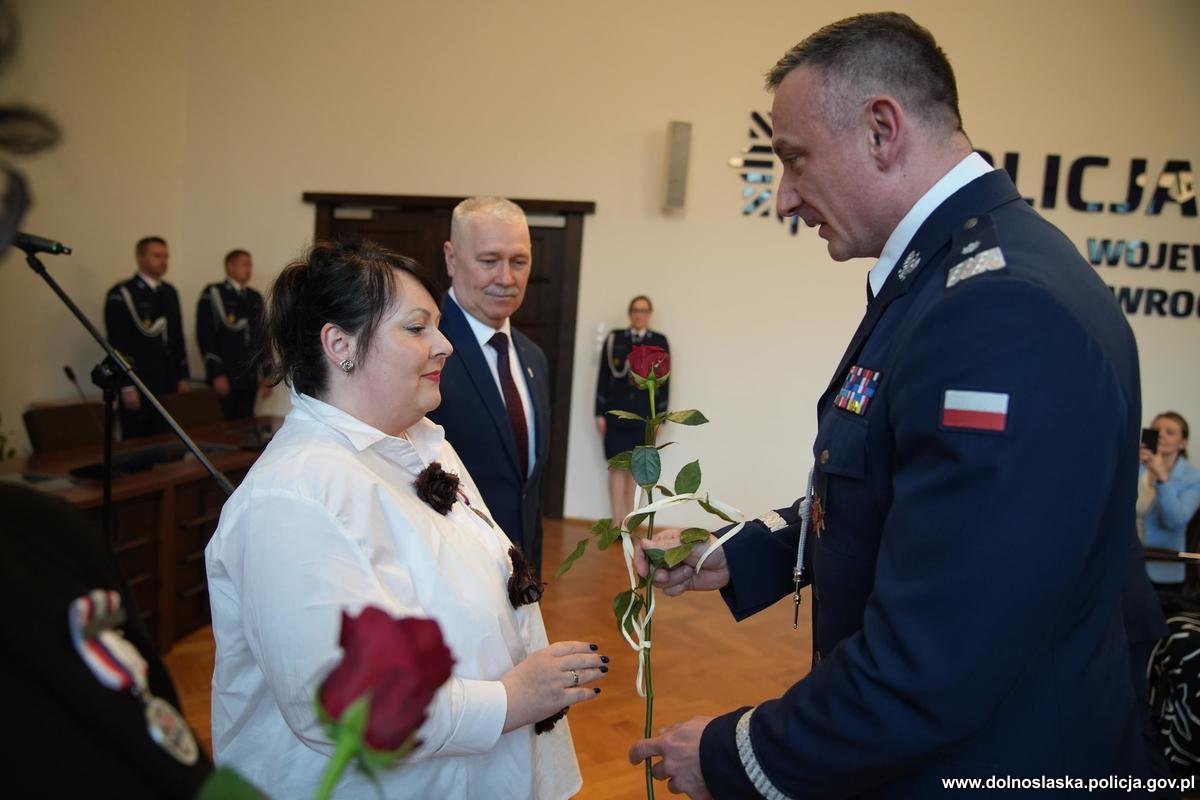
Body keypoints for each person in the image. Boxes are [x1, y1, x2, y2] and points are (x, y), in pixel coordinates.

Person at [628, 12, 1167, 798]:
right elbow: (893, 495)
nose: (784, 198)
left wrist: (732, 755)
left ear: (882, 129)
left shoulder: (998, 308)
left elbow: (938, 653)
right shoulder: (950, 275)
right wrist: (734, 554)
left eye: (795, 159)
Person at [205, 240, 603, 799]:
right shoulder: (292, 496)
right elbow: (341, 703)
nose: (444, 345)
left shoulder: (421, 443)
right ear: (340, 345)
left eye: (436, 326)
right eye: (417, 328)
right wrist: (510, 699)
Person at [428, 197, 550, 578]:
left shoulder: (533, 357)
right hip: (450, 574)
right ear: (451, 259)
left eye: (519, 261)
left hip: (519, 578)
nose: (506, 278)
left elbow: (527, 490)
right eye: (489, 260)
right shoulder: (424, 349)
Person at [104, 236, 190, 439]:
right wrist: (126, 386)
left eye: (166, 256)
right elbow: (118, 342)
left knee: (167, 440)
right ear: (140, 258)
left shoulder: (169, 292)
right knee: (138, 441)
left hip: (167, 381)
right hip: (139, 380)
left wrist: (183, 376)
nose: (163, 261)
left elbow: (177, 337)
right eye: (157, 256)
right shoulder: (123, 293)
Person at [595, 295, 669, 525]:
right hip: (616, 414)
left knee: (638, 469)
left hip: (643, 416)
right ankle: (616, 522)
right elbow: (603, 377)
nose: (639, 315)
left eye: (643, 310)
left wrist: (661, 417)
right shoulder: (615, 339)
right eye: (635, 310)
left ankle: (630, 521)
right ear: (630, 313)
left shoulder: (659, 341)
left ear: (649, 314)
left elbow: (665, 382)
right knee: (617, 467)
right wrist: (598, 413)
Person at [196, 249, 266, 420]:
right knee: (223, 425)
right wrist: (216, 374)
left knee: (246, 425)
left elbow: (261, 337)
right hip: (225, 375)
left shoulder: (254, 297)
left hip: (249, 376)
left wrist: (266, 374)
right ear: (230, 266)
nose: (249, 269)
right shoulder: (214, 293)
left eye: (250, 265)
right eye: (244, 264)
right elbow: (205, 335)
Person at [1140, 411, 1200, 590]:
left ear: (1183, 443)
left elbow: (1174, 521)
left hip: (1162, 567)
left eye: (1170, 432)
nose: (1161, 435)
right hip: (1124, 563)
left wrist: (1162, 479)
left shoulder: (1193, 478)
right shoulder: (1135, 467)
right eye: (1156, 430)